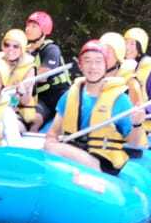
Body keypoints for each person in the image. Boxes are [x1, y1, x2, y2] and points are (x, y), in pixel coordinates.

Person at [42, 40, 133, 174]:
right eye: (88, 61)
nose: (93, 67)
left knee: (53, 149)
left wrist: (137, 124)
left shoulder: (120, 100)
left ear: (105, 66)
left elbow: (134, 142)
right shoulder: (69, 96)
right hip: (74, 155)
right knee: (49, 147)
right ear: (80, 65)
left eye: (98, 61)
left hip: (102, 163)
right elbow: (52, 134)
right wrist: (51, 143)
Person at [23, 11, 72, 131]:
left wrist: (21, 80)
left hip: (60, 94)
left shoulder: (51, 49)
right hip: (41, 97)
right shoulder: (23, 50)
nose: (28, 29)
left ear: (43, 31)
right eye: (28, 26)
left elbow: (43, 75)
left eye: (34, 26)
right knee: (34, 120)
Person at [122, 26, 151, 148]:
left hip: (139, 126)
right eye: (125, 43)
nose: (127, 47)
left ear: (140, 49)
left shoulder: (150, 73)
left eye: (132, 44)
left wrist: (144, 111)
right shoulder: (115, 67)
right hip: (117, 124)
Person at [0, 28, 39, 128]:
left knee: (3, 125)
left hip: (18, 113)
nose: (10, 49)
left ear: (22, 49)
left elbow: (25, 100)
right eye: (7, 45)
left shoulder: (29, 68)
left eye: (16, 46)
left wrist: (22, 92)